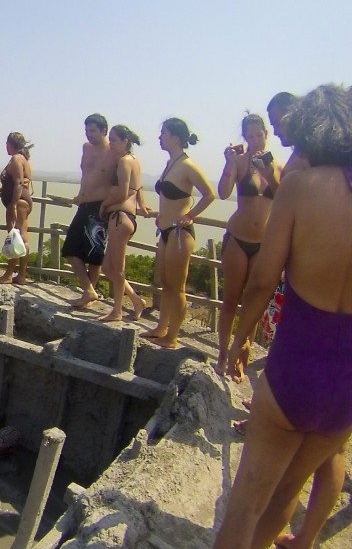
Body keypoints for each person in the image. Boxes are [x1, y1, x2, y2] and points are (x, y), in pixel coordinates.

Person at [171, 84, 352, 549]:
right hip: (348, 381)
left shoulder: (301, 184)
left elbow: (265, 278)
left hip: (299, 361)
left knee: (246, 503)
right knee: (288, 494)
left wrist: (236, 344)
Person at [215, 113, 280, 378]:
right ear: (245, 137)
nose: (255, 140)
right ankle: (221, 355)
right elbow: (223, 191)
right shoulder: (240, 162)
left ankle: (241, 357)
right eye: (250, 135)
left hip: (264, 243)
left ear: (266, 133)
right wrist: (228, 162)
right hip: (238, 238)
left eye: (258, 134)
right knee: (230, 299)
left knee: (252, 303)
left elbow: (284, 195)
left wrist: (268, 171)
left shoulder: (279, 166)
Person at [140, 118, 215, 348]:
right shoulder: (170, 163)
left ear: (175, 137)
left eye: (163, 133)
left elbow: (209, 194)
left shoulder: (187, 165)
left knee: (177, 286)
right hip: (165, 229)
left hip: (180, 233)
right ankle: (161, 327)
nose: (160, 137)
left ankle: (172, 336)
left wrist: (190, 215)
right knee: (165, 282)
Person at [96, 125, 148, 322]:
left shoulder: (125, 162)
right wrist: (142, 204)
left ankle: (117, 310)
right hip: (124, 216)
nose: (111, 143)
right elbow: (138, 186)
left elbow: (123, 192)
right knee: (108, 267)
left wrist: (105, 204)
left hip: (120, 216)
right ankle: (135, 300)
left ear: (125, 141)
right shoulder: (133, 161)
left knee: (117, 269)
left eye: (114, 139)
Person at [63, 114, 114, 308]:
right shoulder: (86, 148)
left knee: (95, 253)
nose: (89, 135)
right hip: (83, 203)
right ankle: (89, 291)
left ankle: (88, 294)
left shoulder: (113, 152)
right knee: (70, 248)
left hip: (100, 206)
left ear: (104, 131)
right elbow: (86, 175)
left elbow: (130, 179)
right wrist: (79, 195)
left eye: (93, 130)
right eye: (86, 130)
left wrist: (139, 202)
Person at [0, 132, 34, 285]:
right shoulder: (23, 159)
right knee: (22, 237)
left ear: (10, 144)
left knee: (15, 237)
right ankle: (22, 275)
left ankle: (9, 274)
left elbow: (18, 183)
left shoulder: (17, 159)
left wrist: (12, 205)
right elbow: (13, 183)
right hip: (22, 201)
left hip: (18, 202)